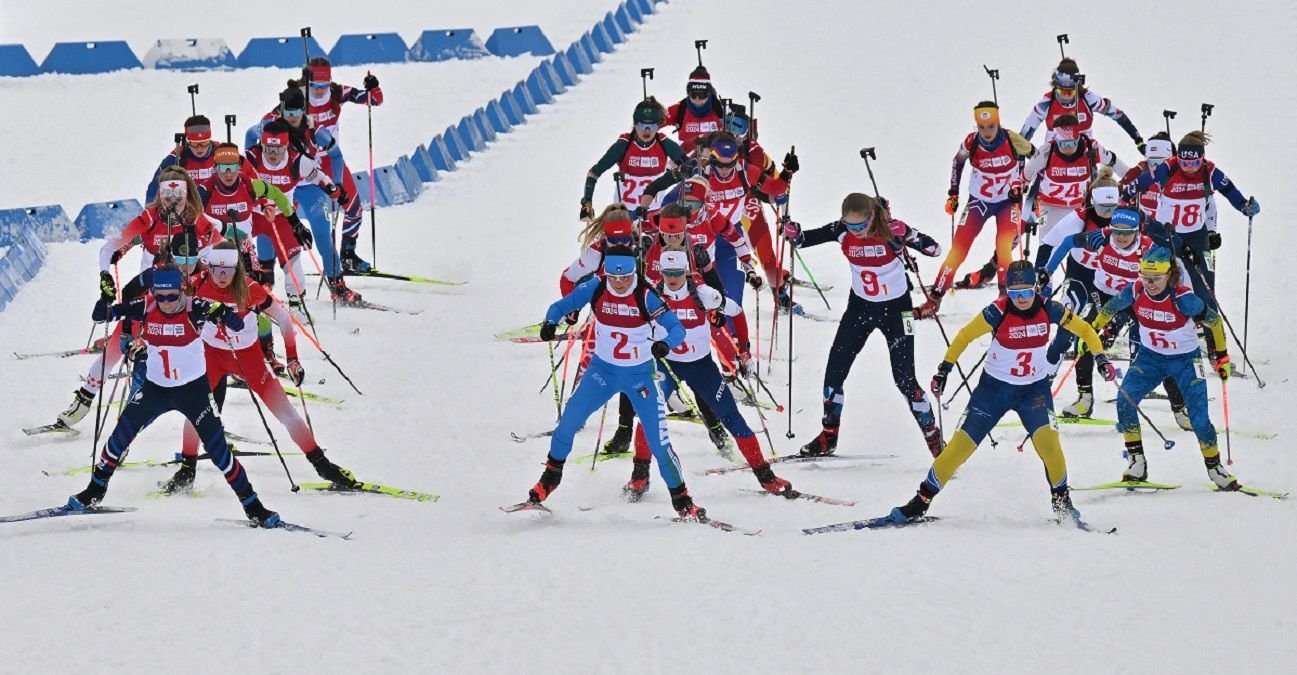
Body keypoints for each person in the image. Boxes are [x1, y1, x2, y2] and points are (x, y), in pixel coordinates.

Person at [886, 261, 1115, 525]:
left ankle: (1061, 500)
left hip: (1034, 392)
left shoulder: (1050, 308)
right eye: (1015, 293)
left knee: (1050, 445)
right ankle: (920, 501)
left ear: (1036, 289)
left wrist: (1101, 358)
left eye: (1026, 292)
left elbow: (1085, 329)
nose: (1021, 299)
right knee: (959, 448)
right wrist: (944, 370)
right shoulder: (998, 311)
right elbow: (964, 336)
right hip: (993, 391)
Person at [68, 264, 281, 527]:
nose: (166, 302)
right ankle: (95, 490)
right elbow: (102, 315)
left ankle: (253, 506)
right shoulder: (146, 306)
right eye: (161, 296)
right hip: (155, 389)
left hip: (193, 392)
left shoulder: (196, 307)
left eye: (172, 296)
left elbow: (236, 325)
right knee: (119, 437)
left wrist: (224, 313)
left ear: (181, 291)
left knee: (219, 451)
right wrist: (104, 300)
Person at [522, 246, 707, 519]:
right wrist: (550, 322)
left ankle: (684, 502)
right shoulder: (596, 287)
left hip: (640, 376)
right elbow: (560, 306)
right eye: (613, 277)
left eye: (625, 277)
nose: (619, 283)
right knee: (567, 424)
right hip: (602, 372)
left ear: (634, 272)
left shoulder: (646, 295)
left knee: (659, 443)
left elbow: (677, 328)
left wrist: (666, 344)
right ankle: (549, 479)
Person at [158, 240, 357, 493]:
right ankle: (187, 470)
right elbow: (166, 298)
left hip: (248, 359)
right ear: (209, 267)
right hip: (211, 357)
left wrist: (293, 359)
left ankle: (322, 465)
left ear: (237, 269)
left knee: (285, 412)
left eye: (228, 270)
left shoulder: (250, 288)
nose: (221, 276)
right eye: (217, 269)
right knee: (195, 410)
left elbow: (284, 319)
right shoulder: (198, 283)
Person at [57, 171, 225, 428]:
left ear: (186, 194)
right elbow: (109, 247)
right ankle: (84, 399)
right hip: (148, 299)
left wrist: (215, 263)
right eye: (167, 195)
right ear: (160, 195)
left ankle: (208, 415)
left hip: (186, 301)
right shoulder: (149, 218)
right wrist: (106, 274)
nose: (172, 202)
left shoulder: (196, 219)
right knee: (115, 349)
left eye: (178, 195)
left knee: (203, 353)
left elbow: (223, 249)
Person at [782, 193, 945, 458]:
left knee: (905, 380)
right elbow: (801, 241)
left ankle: (934, 438)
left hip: (898, 312)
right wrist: (793, 232)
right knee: (834, 372)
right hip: (860, 308)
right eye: (850, 225)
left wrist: (909, 234)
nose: (856, 231)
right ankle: (828, 436)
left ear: (872, 216)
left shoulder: (890, 231)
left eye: (861, 225)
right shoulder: (841, 231)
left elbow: (934, 249)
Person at [623, 250, 793, 497]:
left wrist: (744, 350)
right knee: (649, 416)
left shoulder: (702, 294)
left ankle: (766, 476)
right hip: (667, 365)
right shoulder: (653, 295)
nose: (672, 278)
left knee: (731, 416)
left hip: (701, 367)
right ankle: (640, 476)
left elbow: (736, 312)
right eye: (668, 273)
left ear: (686, 271)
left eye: (677, 273)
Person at [1090, 247, 1238, 490]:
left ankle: (1215, 467)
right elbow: (1110, 308)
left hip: (1186, 361)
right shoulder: (1136, 290)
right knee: (1125, 401)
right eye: (1145, 277)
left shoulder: (1184, 298)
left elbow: (1214, 321)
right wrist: (1093, 331)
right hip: (1150, 358)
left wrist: (1221, 356)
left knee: (1199, 418)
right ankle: (1137, 462)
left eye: (1156, 278)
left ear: (1169, 275)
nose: (1150, 284)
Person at [1041, 206, 1190, 424]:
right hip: (1103, 295)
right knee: (1085, 339)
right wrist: (1047, 271)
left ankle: (1179, 409)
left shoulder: (1149, 248)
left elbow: (1176, 266)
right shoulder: (1101, 238)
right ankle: (1084, 399)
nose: (1120, 237)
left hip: (1136, 299)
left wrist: (1177, 297)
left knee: (1157, 348)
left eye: (1126, 232)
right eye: (1117, 231)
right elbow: (1067, 243)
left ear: (1137, 231)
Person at [917, 101, 1033, 318]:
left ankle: (1005, 299)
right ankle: (934, 298)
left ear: (998, 123)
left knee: (1004, 247)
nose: (987, 132)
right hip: (979, 202)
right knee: (958, 250)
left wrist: (1023, 185)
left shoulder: (1012, 139)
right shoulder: (971, 142)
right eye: (982, 127)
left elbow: (1039, 160)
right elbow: (957, 163)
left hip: (1007, 202)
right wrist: (953, 193)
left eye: (991, 126)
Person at [1129, 131, 1260, 312]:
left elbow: (1230, 192)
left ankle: (1210, 324)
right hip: (1164, 235)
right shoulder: (1168, 167)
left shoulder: (1210, 172)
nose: (1189, 168)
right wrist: (1125, 195)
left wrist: (1245, 206)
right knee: (1155, 280)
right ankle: (1153, 318)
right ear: (1178, 158)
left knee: (1205, 287)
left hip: (1196, 236)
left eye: (1195, 163)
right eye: (1184, 163)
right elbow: (1141, 182)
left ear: (1202, 158)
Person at [244, 120, 346, 303]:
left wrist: (332, 189)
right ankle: (241, 295)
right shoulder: (251, 158)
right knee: (235, 250)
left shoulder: (296, 160)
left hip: (283, 216)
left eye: (278, 150)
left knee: (292, 259)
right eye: (268, 149)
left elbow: (319, 177)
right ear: (262, 145)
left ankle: (296, 300)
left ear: (286, 146)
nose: (273, 154)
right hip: (254, 215)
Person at [297, 57, 383, 273]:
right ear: (308, 81)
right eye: (315, 86)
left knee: (354, 207)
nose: (319, 91)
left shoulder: (337, 92)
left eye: (324, 85)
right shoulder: (298, 96)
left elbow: (375, 100)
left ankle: (347, 255)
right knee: (288, 209)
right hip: (302, 162)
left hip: (331, 159)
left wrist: (373, 87)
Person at [1022, 114, 1127, 239]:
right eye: (1063, 144)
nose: (1068, 148)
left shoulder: (1091, 147)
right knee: (1047, 243)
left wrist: (1132, 179)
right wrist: (1019, 192)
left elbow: (1114, 162)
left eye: (1073, 143)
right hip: (1050, 207)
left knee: (1080, 246)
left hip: (1080, 208)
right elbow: (1024, 178)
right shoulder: (1046, 152)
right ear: (1056, 140)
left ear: (1078, 138)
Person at [580, 97, 686, 219]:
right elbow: (594, 173)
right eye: (642, 125)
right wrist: (587, 202)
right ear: (635, 124)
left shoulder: (665, 144)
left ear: (658, 125)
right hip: (624, 214)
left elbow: (690, 169)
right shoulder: (623, 145)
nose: (647, 131)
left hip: (654, 214)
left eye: (651, 126)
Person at [1019, 57, 1143, 149]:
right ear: (1055, 86)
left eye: (1070, 92)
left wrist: (1138, 140)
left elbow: (1118, 115)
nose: (1066, 96)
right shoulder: (1046, 103)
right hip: (1054, 160)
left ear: (1078, 88)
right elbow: (1025, 135)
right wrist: (1026, 158)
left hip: (1084, 157)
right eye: (1061, 91)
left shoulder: (1088, 99)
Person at [145, 115, 218, 200]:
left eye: (204, 143)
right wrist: (150, 207)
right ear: (187, 141)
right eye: (194, 144)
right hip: (188, 204)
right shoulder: (176, 158)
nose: (199, 148)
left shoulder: (221, 152)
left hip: (213, 204)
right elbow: (155, 187)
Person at [665, 65, 725, 157]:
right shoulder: (680, 108)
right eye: (693, 95)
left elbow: (739, 132)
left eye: (702, 95)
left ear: (709, 93)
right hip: (686, 159)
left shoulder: (720, 110)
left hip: (715, 160)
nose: (697, 99)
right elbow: (655, 121)